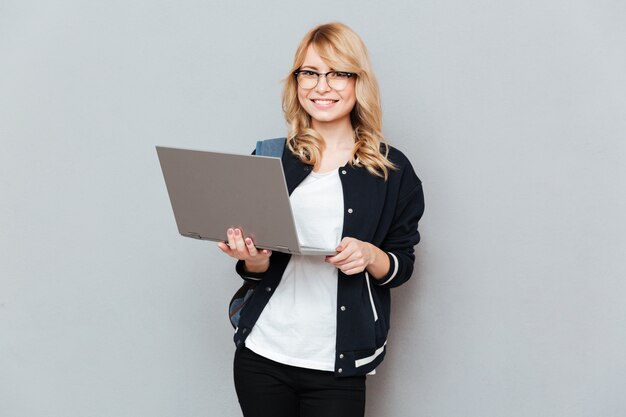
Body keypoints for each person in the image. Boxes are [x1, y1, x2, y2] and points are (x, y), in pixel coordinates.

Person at [217, 22, 425, 417]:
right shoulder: (269, 157)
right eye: (310, 73)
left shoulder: (392, 170)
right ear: (296, 82)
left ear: (358, 81)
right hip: (263, 352)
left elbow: (402, 264)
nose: (321, 86)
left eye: (337, 73)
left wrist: (369, 255)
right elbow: (257, 269)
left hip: (337, 365)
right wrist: (252, 258)